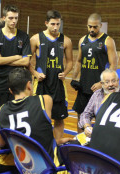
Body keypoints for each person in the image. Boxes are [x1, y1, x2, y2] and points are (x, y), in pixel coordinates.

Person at [0, 68, 71, 161]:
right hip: (48, 165)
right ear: (29, 85)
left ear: (10, 90)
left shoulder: (2, 109)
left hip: (22, 164)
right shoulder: (44, 100)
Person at [28, 10, 73, 143]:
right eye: (52, 24)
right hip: (41, 85)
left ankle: (58, 146)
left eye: (58, 24)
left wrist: (65, 72)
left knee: (59, 118)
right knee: (39, 117)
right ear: (46, 23)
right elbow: (27, 61)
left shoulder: (66, 40)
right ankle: (42, 144)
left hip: (58, 85)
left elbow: (70, 61)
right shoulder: (35, 39)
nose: (55, 27)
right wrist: (35, 74)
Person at [71, 13, 118, 132]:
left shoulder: (108, 41)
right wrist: (74, 78)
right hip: (84, 86)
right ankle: (80, 143)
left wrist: (102, 83)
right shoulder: (83, 40)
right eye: (89, 26)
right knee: (81, 116)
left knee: (101, 117)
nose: (92, 29)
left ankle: (98, 144)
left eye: (95, 27)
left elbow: (114, 65)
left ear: (100, 25)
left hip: (100, 88)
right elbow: (78, 61)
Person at [0, 5, 32, 107]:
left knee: (17, 113)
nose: (14, 21)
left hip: (18, 83)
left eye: (16, 18)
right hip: (0, 83)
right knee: (0, 115)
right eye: (11, 18)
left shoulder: (24, 36)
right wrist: (17, 56)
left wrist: (3, 59)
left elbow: (26, 62)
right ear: (4, 18)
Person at [78, 69, 120, 137]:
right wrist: (87, 126)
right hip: (100, 134)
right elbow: (86, 114)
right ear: (102, 83)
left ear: (118, 80)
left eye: (114, 81)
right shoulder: (97, 94)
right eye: (107, 82)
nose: (111, 84)